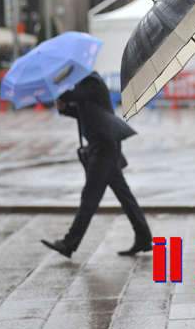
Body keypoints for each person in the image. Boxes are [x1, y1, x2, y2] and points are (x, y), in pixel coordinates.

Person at [40, 71, 152, 258]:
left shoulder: (91, 81)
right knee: (124, 194)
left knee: (89, 197)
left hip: (104, 146)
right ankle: (144, 237)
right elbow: (85, 111)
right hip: (102, 144)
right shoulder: (82, 83)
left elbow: (76, 97)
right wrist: (63, 108)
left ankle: (69, 243)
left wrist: (57, 89)